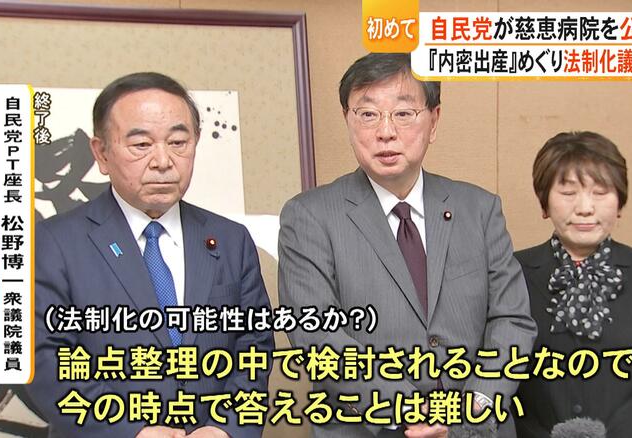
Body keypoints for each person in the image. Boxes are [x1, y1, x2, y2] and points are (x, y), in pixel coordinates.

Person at [278, 53, 537, 438]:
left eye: (403, 113)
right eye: (368, 114)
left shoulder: (479, 209)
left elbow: (512, 320)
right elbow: (316, 335)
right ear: (347, 120)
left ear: (434, 120)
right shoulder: (309, 216)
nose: (386, 132)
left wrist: (474, 405)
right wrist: (407, 409)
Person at [28, 72, 274, 438]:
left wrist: (226, 429)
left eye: (178, 142)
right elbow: (43, 359)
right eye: (141, 144)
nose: (163, 161)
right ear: (101, 153)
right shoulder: (54, 241)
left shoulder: (230, 240)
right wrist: (132, 431)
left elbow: (253, 347)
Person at [514, 131, 632, 438]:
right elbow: (498, 375)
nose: (585, 208)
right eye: (568, 193)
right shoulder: (511, 273)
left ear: (619, 201)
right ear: (544, 202)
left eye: (600, 192)